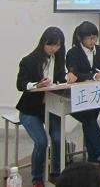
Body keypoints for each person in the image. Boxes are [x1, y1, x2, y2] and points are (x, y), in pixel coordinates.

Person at [16, 27, 76, 187]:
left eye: (58, 45)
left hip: (51, 107)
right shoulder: (29, 60)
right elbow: (20, 84)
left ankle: (57, 172)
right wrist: (36, 85)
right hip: (30, 109)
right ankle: (37, 178)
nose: (54, 49)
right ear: (43, 42)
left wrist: (67, 76)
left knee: (58, 138)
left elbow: (59, 78)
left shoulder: (59, 59)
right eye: (51, 45)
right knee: (41, 142)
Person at [65, 21, 100, 172]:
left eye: (95, 38)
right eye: (90, 38)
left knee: (89, 122)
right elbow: (74, 73)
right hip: (77, 96)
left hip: (95, 94)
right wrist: (93, 76)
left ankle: (94, 161)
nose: (93, 41)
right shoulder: (73, 53)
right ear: (81, 38)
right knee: (89, 120)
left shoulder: (99, 50)